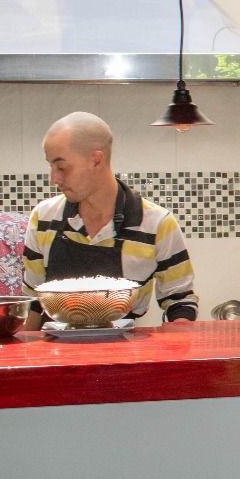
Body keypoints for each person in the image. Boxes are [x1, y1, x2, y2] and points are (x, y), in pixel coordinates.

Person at [22, 111, 198, 322]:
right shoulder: (44, 218)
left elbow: (179, 303)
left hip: (126, 352)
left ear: (97, 160)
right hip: (55, 352)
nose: (54, 178)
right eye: (50, 166)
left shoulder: (157, 225)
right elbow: (32, 301)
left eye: (62, 167)